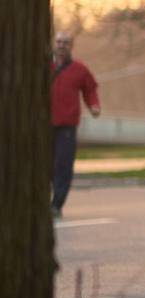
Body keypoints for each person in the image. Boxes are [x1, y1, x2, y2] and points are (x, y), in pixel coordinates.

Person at [49, 32, 101, 218]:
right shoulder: (43, 66)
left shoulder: (79, 69)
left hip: (66, 126)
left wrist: (94, 106)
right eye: (59, 42)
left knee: (63, 165)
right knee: (46, 165)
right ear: (54, 44)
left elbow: (90, 90)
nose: (62, 45)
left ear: (71, 46)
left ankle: (56, 204)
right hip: (44, 125)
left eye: (66, 43)